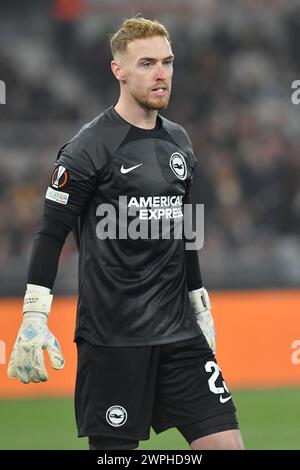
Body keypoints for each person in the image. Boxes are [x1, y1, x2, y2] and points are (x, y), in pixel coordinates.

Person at [7, 17, 244, 451]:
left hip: (179, 335)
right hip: (113, 340)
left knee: (227, 444)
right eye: (147, 63)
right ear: (119, 70)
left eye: (168, 62)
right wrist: (34, 315)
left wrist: (199, 303)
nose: (161, 74)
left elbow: (184, 230)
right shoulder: (87, 148)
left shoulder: (180, 142)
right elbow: (50, 232)